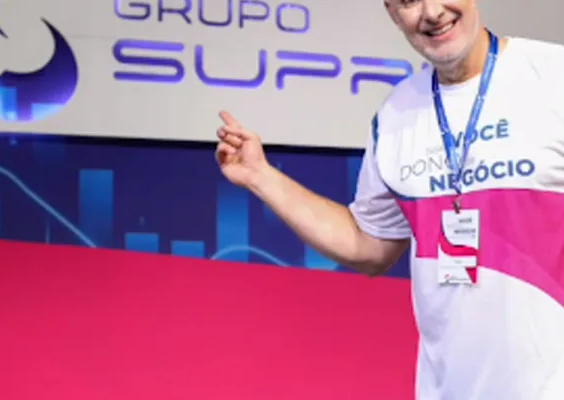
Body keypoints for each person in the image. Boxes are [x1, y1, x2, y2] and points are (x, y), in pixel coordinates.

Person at [214, 0, 564, 399]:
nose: (432, 12)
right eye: (409, 1)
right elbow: (369, 246)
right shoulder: (396, 115)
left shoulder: (552, 76)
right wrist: (260, 176)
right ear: (392, 13)